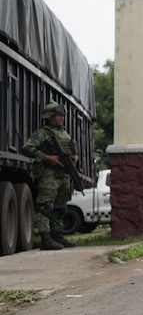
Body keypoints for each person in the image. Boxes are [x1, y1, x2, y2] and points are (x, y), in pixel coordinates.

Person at [21, 102, 78, 250]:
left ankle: (57, 235)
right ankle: (45, 237)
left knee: (60, 207)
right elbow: (27, 148)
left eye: (62, 116)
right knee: (46, 206)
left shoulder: (64, 134)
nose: (61, 118)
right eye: (58, 116)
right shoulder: (43, 133)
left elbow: (73, 149)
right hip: (49, 175)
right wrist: (47, 157)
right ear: (50, 117)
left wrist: (74, 157)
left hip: (63, 175)